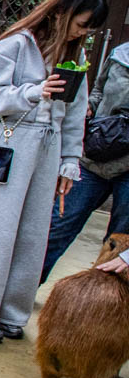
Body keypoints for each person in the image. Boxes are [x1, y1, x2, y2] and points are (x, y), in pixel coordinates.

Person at [0, 0, 107, 343]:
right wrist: (34, 91)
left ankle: (11, 313)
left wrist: (70, 159)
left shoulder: (75, 55)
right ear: (64, 11)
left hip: (48, 148)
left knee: (33, 232)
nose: (83, 32)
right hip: (14, 140)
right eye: (82, 23)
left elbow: (75, 111)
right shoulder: (16, 44)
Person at [42, 32, 129, 282]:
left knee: (118, 243)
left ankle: (103, 305)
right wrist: (90, 107)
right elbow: (99, 89)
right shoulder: (120, 55)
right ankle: (20, 293)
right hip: (97, 154)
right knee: (59, 225)